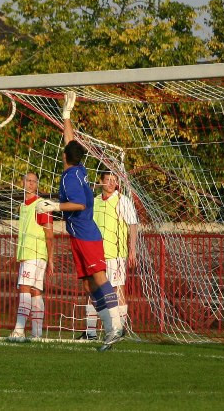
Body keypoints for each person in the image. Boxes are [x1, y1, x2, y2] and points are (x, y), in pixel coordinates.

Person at [37, 92, 123, 351]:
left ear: (64, 157)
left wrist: (55, 206)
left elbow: (81, 204)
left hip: (86, 233)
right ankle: (109, 329)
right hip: (78, 234)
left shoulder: (70, 178)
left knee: (98, 276)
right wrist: (66, 116)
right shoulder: (79, 169)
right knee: (87, 283)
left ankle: (116, 325)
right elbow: (70, 140)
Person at [81, 170, 138, 339]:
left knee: (117, 290)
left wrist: (132, 250)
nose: (112, 183)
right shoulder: (94, 201)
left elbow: (133, 226)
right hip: (96, 254)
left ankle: (119, 329)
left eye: (114, 180)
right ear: (100, 181)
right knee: (92, 289)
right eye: (108, 180)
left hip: (117, 255)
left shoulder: (123, 200)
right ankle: (90, 332)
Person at [8, 172, 54, 342]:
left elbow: (49, 232)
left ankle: (19, 331)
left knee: (25, 288)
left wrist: (51, 258)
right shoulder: (23, 206)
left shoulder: (41, 204)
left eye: (34, 182)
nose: (31, 184)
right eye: (28, 181)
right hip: (29, 253)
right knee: (35, 292)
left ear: (37, 184)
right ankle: (36, 334)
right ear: (23, 182)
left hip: (34, 253)